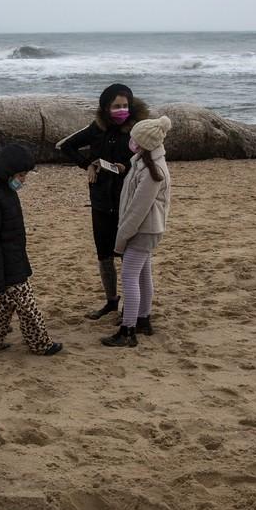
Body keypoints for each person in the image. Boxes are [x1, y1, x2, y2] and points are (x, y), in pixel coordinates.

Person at [57, 83, 149, 320]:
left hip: (126, 200)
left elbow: (148, 158)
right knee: (103, 254)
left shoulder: (137, 130)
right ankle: (111, 301)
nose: (122, 110)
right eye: (116, 106)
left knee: (129, 256)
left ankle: (132, 306)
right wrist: (87, 164)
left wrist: (126, 166)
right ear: (106, 108)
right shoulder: (96, 128)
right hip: (99, 200)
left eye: (125, 106)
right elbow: (66, 146)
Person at [0, 143, 63, 356]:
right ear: (8, 172)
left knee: (1, 309)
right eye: (21, 175)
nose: (23, 180)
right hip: (4, 266)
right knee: (28, 308)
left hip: (12, 261)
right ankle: (41, 344)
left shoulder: (4, 191)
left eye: (25, 175)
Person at [104, 115, 172, 348]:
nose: (130, 142)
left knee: (130, 276)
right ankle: (143, 319)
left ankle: (129, 329)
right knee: (143, 274)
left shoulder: (153, 171)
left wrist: (123, 236)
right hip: (147, 229)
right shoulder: (145, 161)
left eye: (134, 139)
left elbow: (138, 209)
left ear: (143, 142)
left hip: (144, 230)